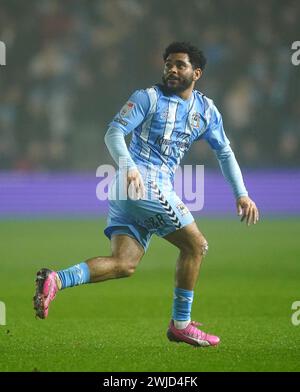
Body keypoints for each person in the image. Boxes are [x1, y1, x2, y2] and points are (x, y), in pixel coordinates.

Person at [33, 42, 259, 347]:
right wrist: (129, 167)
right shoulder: (147, 98)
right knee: (196, 246)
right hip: (141, 183)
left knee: (124, 263)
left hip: (132, 189)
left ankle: (55, 279)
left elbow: (224, 151)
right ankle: (181, 324)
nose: (172, 69)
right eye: (168, 64)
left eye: (180, 64)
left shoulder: (206, 110)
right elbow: (113, 132)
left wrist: (241, 194)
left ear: (197, 72)